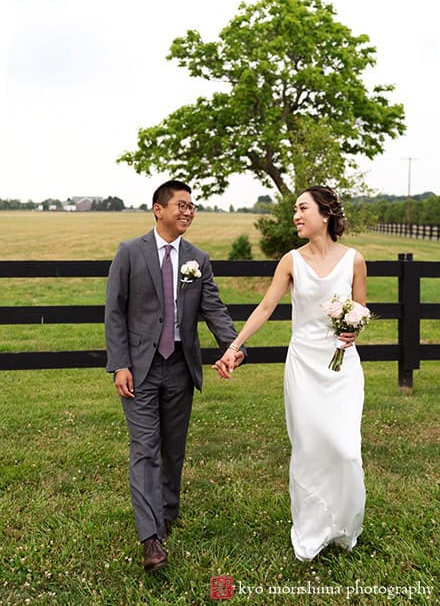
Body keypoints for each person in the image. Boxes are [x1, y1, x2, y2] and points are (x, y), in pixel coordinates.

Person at [214, 185, 367, 561]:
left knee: (345, 449)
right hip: (303, 365)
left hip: (342, 366)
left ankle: (345, 525)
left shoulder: (354, 260)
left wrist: (354, 328)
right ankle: (312, 531)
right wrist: (234, 347)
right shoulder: (290, 261)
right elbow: (266, 307)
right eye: (294, 210)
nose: (296, 216)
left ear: (325, 214)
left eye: (302, 209)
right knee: (310, 448)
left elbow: (361, 310)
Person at [105, 180, 245, 571]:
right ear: (158, 209)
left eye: (192, 206)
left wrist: (233, 346)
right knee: (145, 448)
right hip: (140, 368)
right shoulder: (130, 253)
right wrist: (120, 364)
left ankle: (167, 511)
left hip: (181, 367)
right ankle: (151, 538)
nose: (188, 212)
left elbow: (214, 308)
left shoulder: (198, 259)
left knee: (173, 447)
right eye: (181, 205)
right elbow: (115, 312)